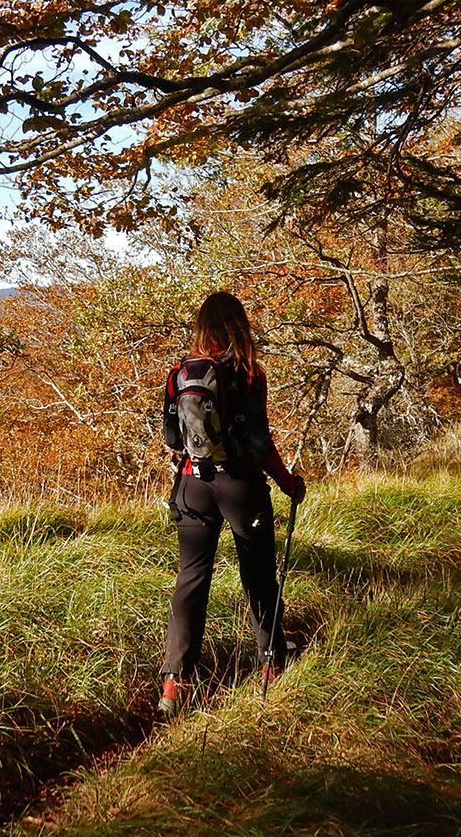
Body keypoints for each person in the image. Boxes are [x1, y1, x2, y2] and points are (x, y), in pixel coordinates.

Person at [156, 291, 305, 717]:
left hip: (191, 486)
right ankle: (271, 663)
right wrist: (288, 483)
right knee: (258, 574)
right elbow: (260, 444)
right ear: (237, 325)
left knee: (191, 579)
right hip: (240, 486)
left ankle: (173, 683)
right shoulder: (248, 374)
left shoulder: (179, 373)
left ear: (202, 326)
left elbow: (171, 438)